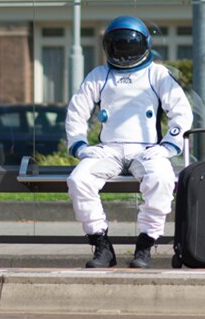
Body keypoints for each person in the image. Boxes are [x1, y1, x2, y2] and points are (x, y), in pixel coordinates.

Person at [65, 16, 193, 269]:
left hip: (146, 150)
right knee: (78, 180)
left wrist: (168, 145)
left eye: (129, 46)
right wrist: (80, 145)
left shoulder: (157, 74)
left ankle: (145, 245)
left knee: (162, 180)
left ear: (144, 45)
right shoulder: (100, 75)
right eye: (118, 46)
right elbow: (76, 112)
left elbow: (181, 112)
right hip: (108, 150)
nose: (124, 52)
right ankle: (101, 245)